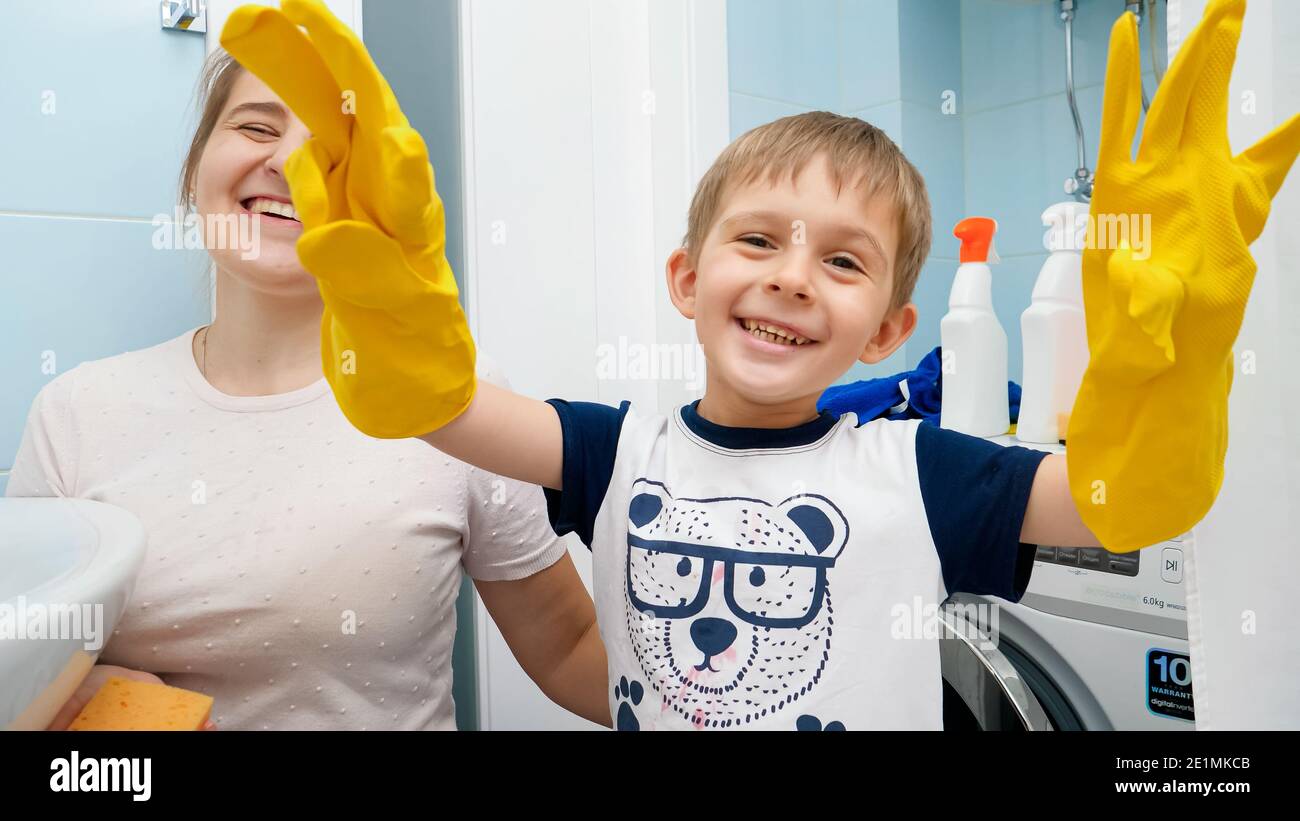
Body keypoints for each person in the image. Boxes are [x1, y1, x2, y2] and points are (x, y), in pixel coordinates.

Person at [9, 50, 609, 731]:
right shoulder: (74, 415)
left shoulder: (453, 407)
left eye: (329, 150)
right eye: (257, 129)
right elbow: (21, 672)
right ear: (195, 168)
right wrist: (68, 697)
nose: (290, 163)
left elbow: (569, 651)